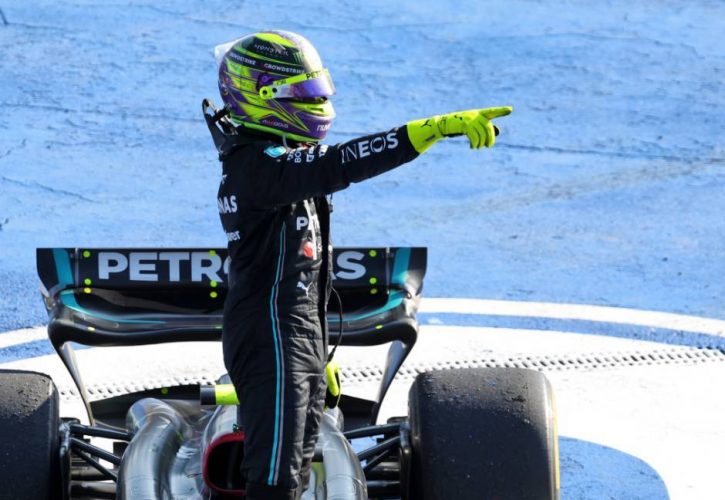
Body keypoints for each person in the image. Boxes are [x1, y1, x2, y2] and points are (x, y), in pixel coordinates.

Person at [209, 30, 512, 500]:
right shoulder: (259, 168)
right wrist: (427, 131)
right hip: (273, 341)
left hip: (293, 336)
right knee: (274, 483)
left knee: (297, 473)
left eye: (317, 92)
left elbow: (301, 274)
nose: (315, 103)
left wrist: (317, 348)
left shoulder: (276, 160)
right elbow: (340, 163)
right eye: (302, 94)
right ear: (260, 96)